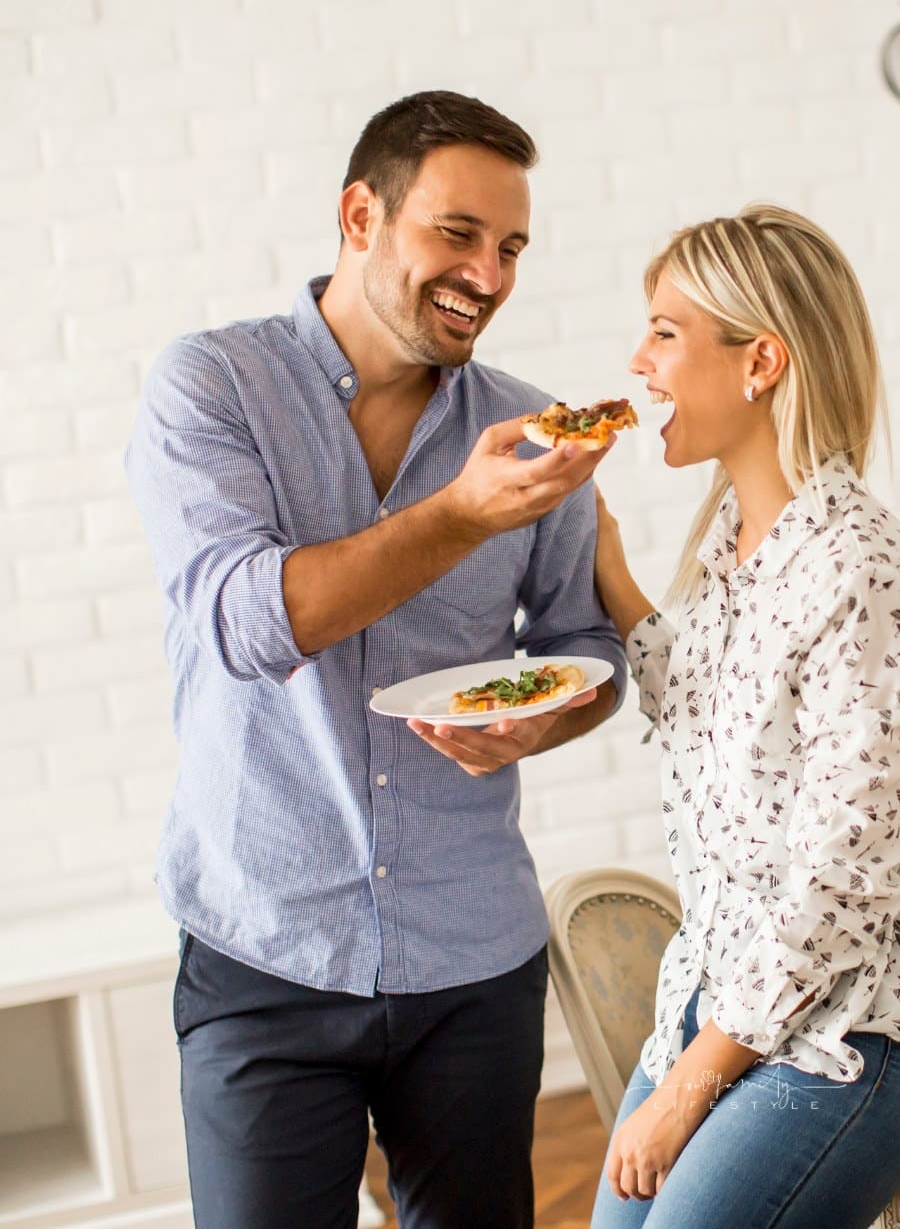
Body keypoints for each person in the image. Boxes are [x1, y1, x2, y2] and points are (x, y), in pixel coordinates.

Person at [125, 89, 627, 1229]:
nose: (488, 276)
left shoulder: (537, 431)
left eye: (510, 249)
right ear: (361, 216)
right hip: (266, 950)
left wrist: (545, 717)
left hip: (473, 957)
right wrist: (461, 514)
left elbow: (586, 647)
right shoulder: (212, 388)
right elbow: (251, 624)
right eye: (457, 234)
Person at [589, 203, 900, 1228]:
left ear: (759, 361)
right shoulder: (732, 539)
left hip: (844, 1030)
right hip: (716, 992)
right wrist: (610, 575)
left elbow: (845, 874)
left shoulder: (856, 566)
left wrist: (688, 1089)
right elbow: (710, 721)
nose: (641, 360)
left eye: (667, 332)